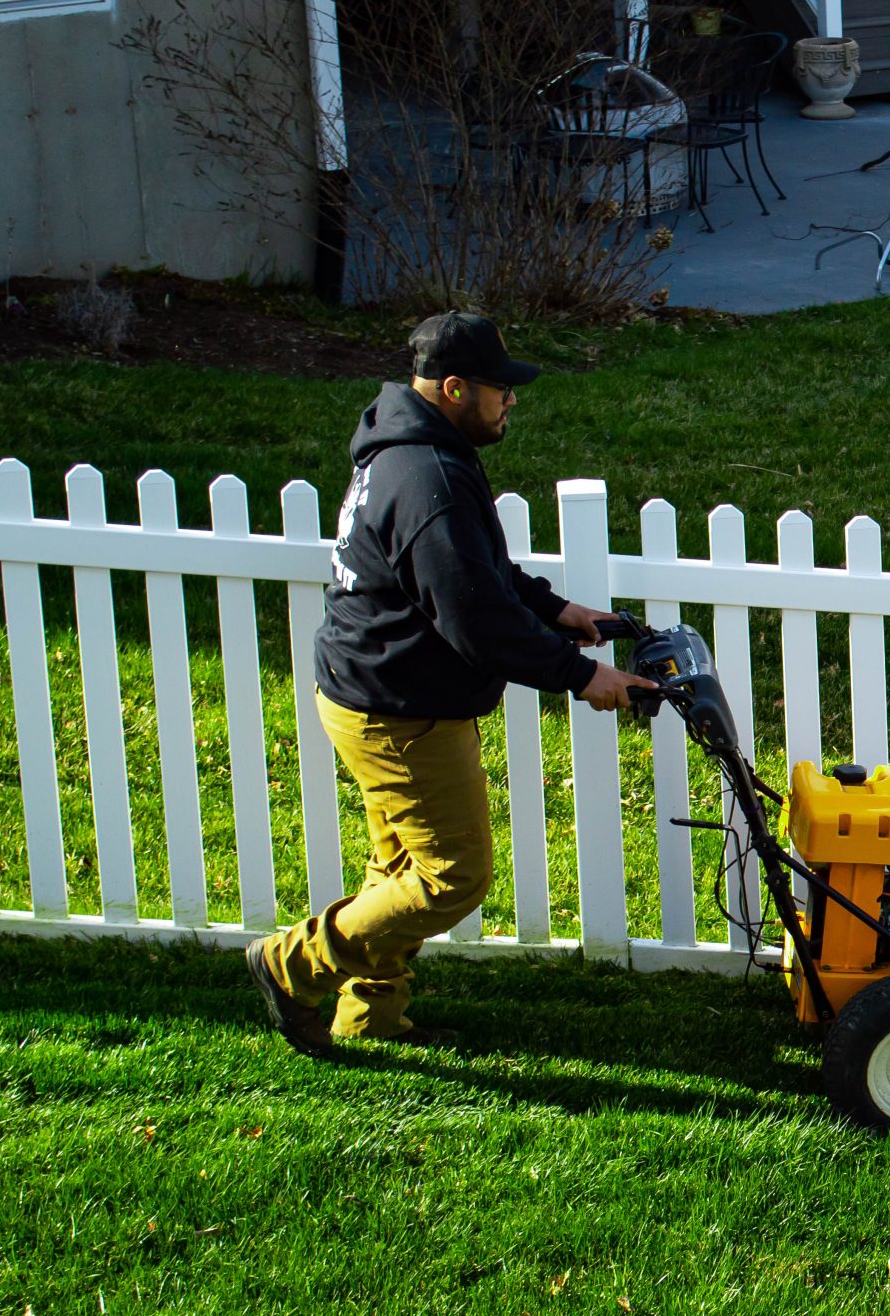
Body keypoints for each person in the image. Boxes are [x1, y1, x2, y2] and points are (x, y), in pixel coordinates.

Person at [246, 311, 654, 1054]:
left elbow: (474, 571)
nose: (512, 401)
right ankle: (291, 964)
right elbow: (475, 620)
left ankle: (371, 1016)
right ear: (456, 387)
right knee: (450, 877)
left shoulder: (417, 450)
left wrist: (556, 609)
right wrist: (583, 677)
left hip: (371, 686)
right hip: (399, 706)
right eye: (501, 389)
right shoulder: (426, 475)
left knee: (398, 864)